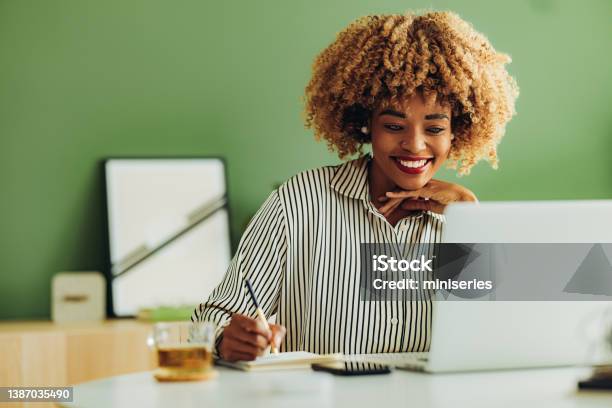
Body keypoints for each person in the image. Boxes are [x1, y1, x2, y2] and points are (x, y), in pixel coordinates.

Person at [192, 11, 518, 362]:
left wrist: (471, 221)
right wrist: (227, 338)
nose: (415, 145)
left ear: (457, 131)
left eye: (435, 129)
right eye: (394, 126)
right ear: (366, 125)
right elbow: (207, 321)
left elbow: (499, 334)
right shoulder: (298, 204)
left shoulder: (460, 220)